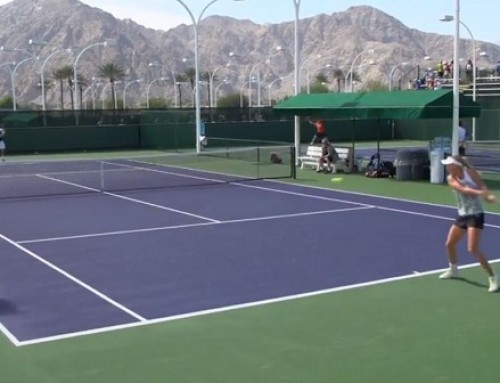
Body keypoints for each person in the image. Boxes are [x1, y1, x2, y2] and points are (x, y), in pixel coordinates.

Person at [439, 155, 498, 293]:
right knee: (449, 244)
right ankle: (453, 270)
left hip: (475, 215)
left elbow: (482, 184)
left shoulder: (470, 173)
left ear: (457, 166)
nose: (447, 167)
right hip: (462, 215)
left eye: (449, 165)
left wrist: (487, 194)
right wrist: (482, 193)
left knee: (472, 249)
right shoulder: (450, 178)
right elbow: (464, 190)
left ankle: (493, 277)